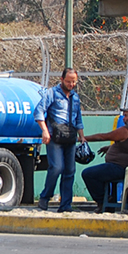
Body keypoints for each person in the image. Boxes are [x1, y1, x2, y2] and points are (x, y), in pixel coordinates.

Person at [34, 68, 86, 212]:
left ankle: (66, 205)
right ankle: (45, 197)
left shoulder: (75, 97)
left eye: (74, 82)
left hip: (70, 136)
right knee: (56, 167)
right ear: (62, 79)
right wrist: (44, 130)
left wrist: (82, 136)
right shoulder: (52, 93)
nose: (71, 84)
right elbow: (38, 111)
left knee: (70, 171)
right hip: (55, 136)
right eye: (68, 81)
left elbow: (78, 118)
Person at [81, 107, 128, 213]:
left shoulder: (127, 130)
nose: (123, 119)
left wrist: (83, 138)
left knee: (88, 174)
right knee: (100, 174)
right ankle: (107, 201)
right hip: (124, 167)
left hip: (119, 167)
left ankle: (103, 200)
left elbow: (103, 136)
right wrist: (109, 148)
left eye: (126, 116)